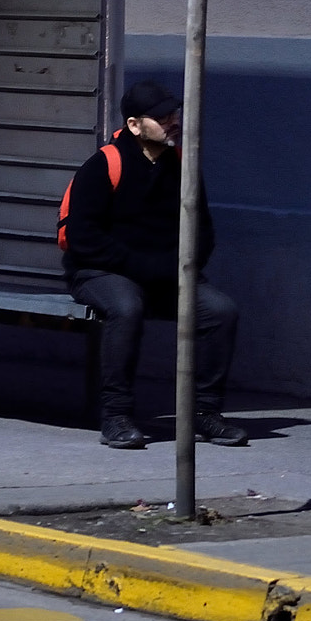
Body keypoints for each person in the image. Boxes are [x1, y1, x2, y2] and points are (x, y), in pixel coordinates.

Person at [61, 79, 244, 450]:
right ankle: (116, 416)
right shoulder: (104, 165)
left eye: (173, 113)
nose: (172, 121)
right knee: (126, 308)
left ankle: (205, 413)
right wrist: (145, 268)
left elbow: (202, 229)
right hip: (99, 271)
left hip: (160, 275)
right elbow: (82, 239)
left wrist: (185, 267)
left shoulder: (181, 165)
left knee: (220, 311)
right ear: (134, 125)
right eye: (161, 117)